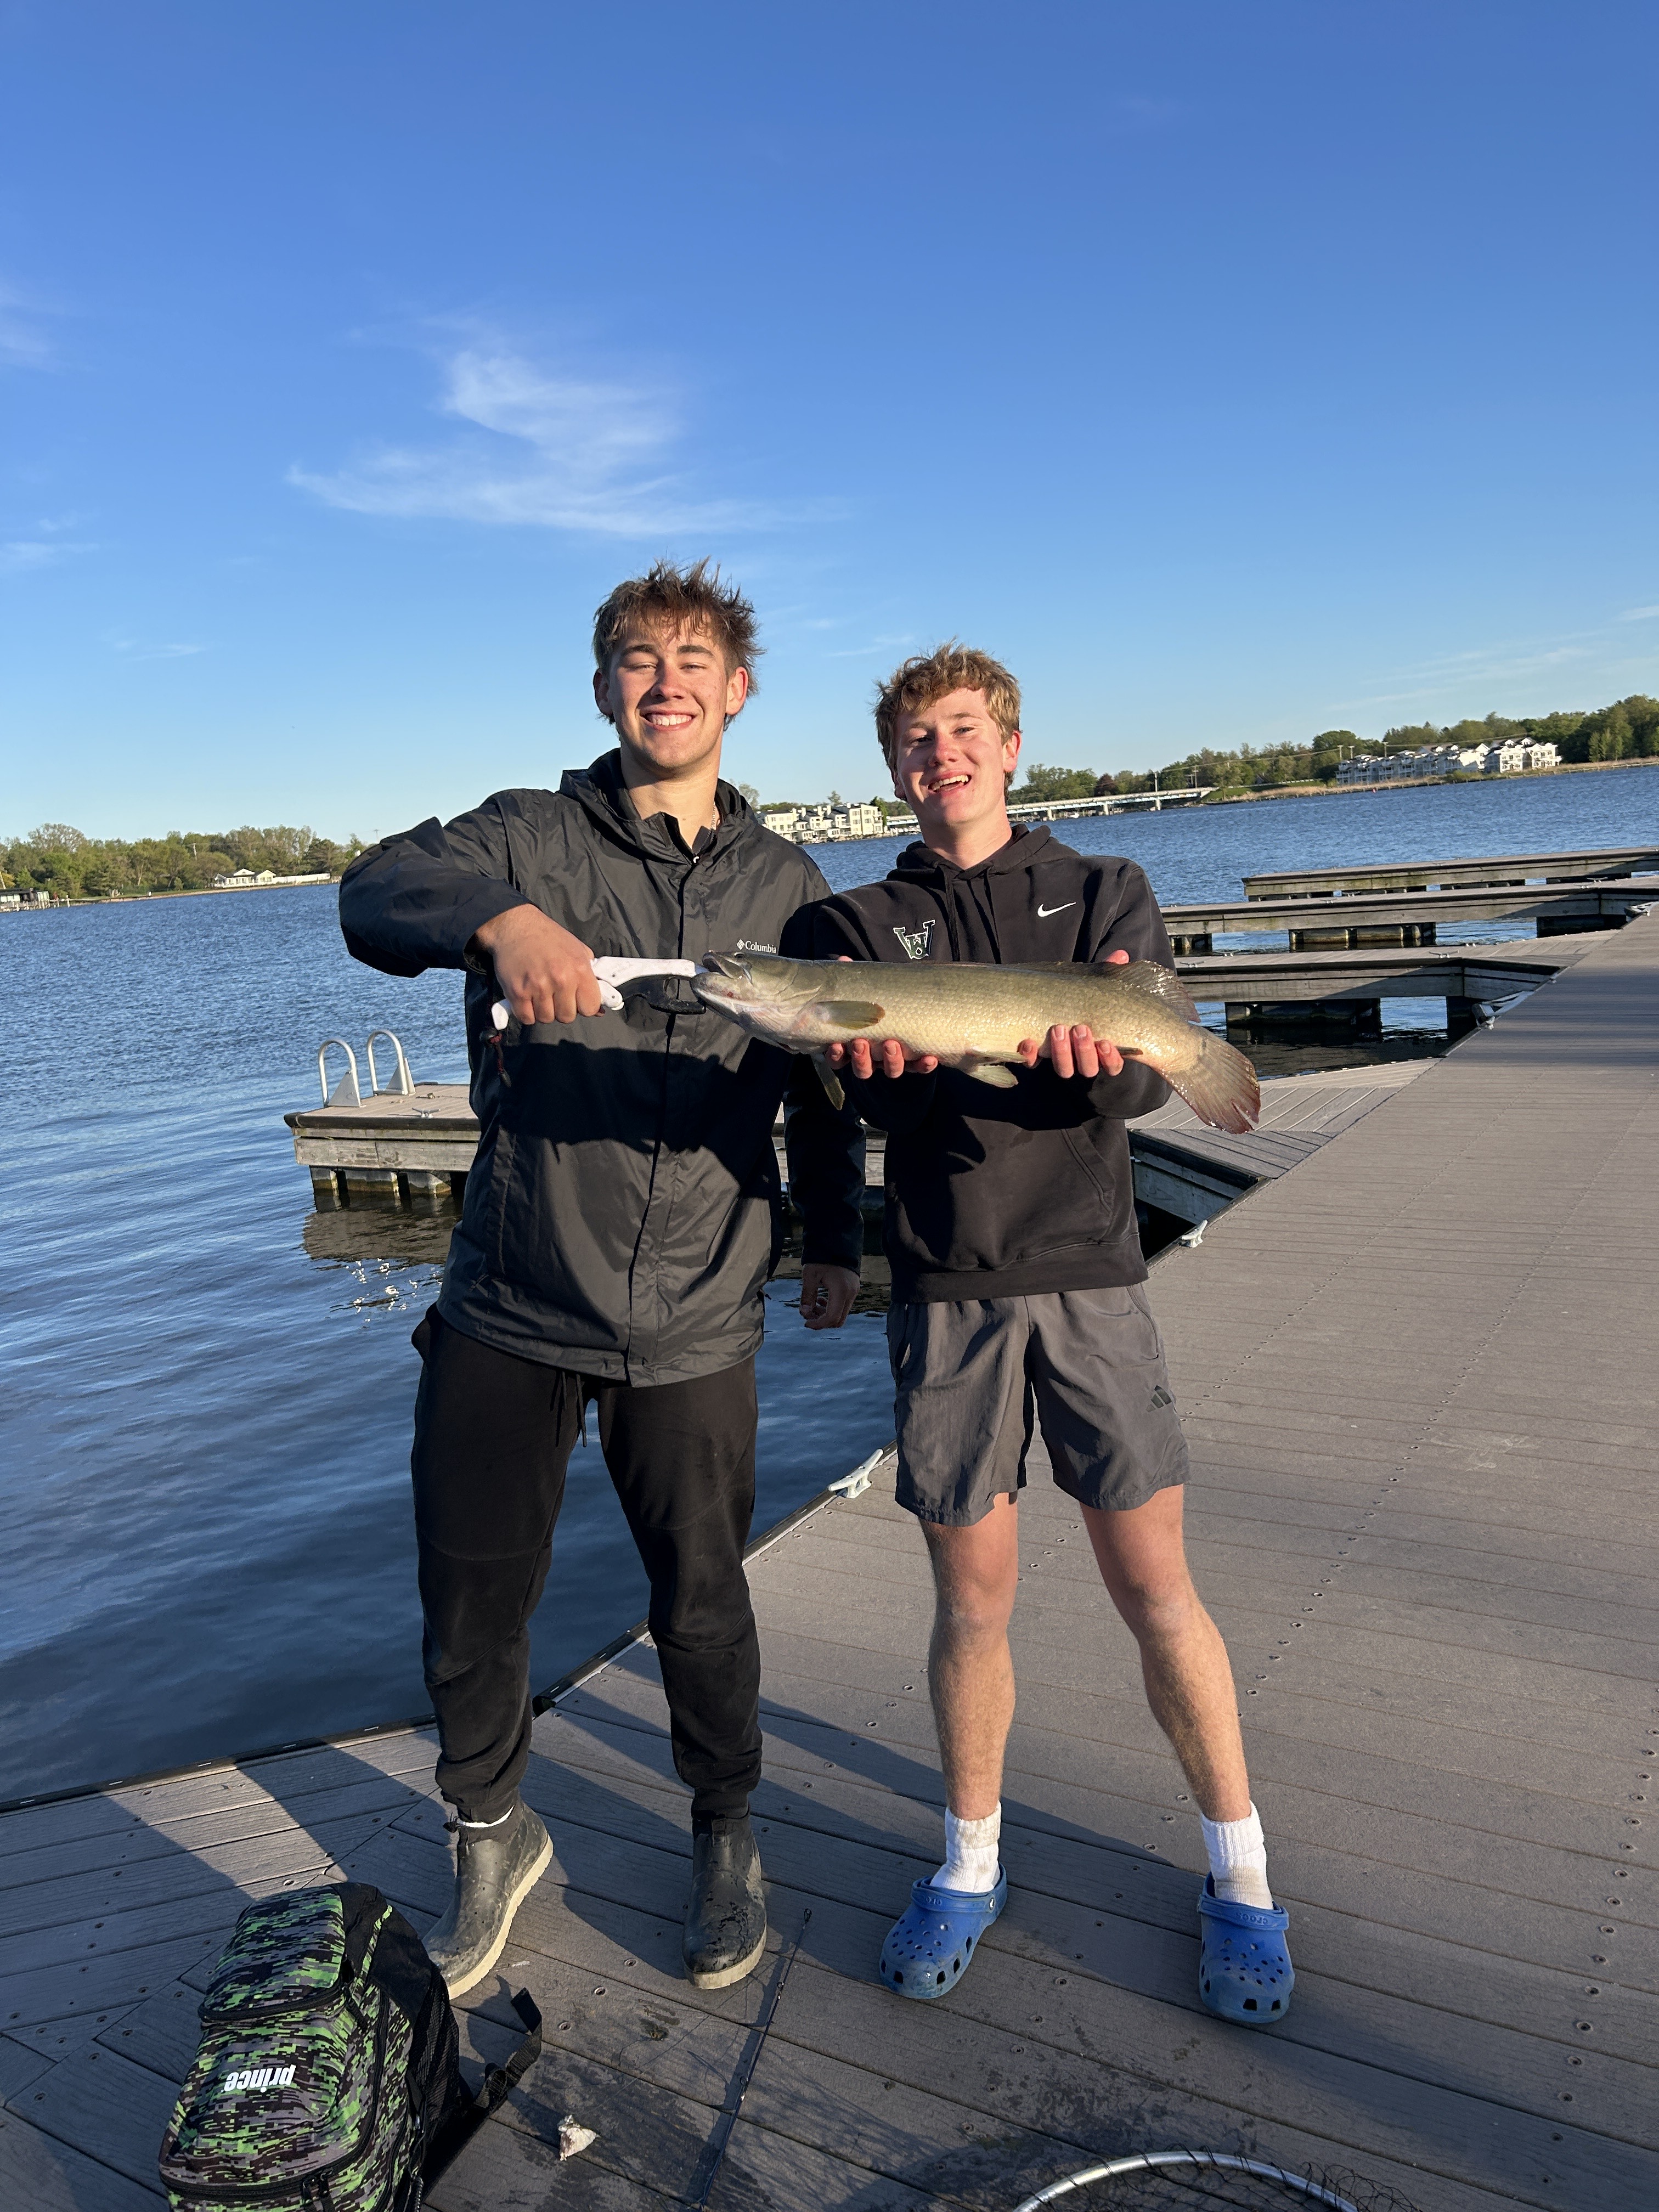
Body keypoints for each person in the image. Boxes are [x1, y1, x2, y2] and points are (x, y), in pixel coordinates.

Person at [338, 561, 864, 1998]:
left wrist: (831, 1236)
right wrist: (500, 923)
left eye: (693, 659)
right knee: (470, 1599)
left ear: (737, 691)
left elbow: (824, 1084)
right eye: (639, 658)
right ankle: (490, 1833)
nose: (666, 680)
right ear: (603, 688)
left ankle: (725, 1830)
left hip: (698, 1312)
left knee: (703, 1603)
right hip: (512, 1298)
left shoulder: (790, 886)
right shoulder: (522, 835)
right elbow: (371, 890)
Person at [798, 643, 1294, 2025]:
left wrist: (1118, 1064)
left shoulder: (1104, 888)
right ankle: (969, 1862)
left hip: (1091, 1274)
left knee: (1158, 1589)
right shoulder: (854, 923)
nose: (941, 753)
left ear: (1010, 746)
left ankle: (1243, 1873)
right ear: (893, 766)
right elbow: (857, 1106)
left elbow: (1137, 1084)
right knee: (971, 1601)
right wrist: (872, 1102)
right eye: (916, 737)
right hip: (944, 1286)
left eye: (965, 729)